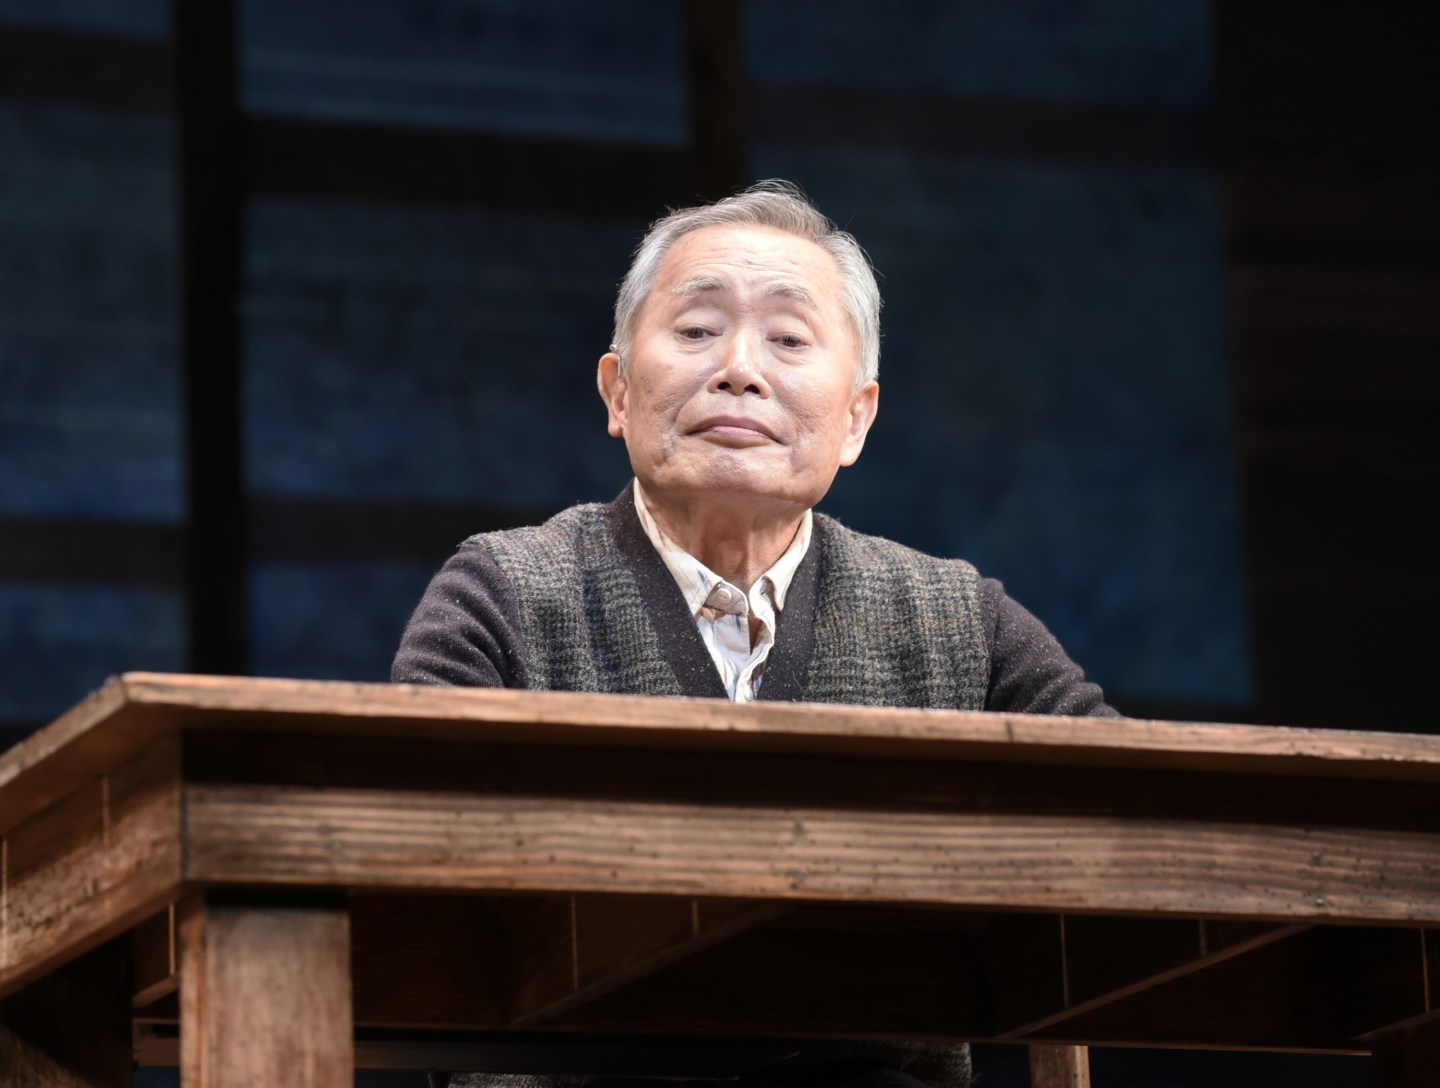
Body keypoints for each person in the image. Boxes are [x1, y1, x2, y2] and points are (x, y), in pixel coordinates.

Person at [394, 180, 1116, 1088]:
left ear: (856, 417)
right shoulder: (504, 592)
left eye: (788, 339)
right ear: (617, 391)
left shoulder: (950, 618)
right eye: (696, 331)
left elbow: (1125, 805)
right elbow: (404, 864)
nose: (740, 367)